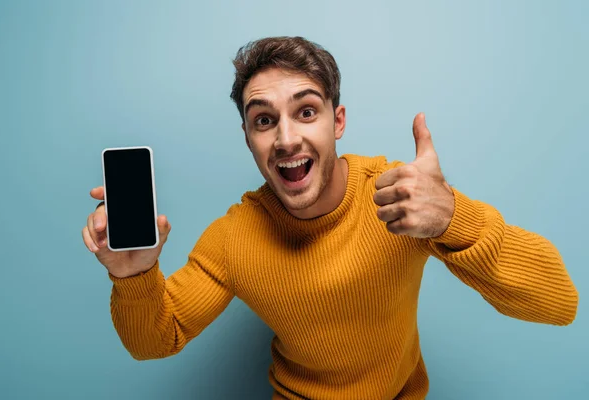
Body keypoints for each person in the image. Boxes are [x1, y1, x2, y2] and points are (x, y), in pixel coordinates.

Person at [82, 36, 578, 399]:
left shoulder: (399, 196)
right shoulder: (235, 236)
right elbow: (155, 341)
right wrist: (134, 275)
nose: (286, 140)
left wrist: (454, 218)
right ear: (249, 136)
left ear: (337, 121)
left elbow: (558, 302)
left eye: (306, 111)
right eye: (263, 120)